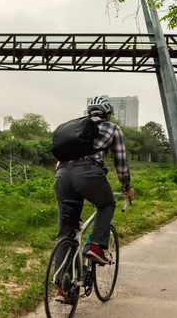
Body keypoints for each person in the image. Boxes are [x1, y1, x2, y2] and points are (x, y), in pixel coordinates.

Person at [52, 96, 134, 303]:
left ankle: (62, 286)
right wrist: (126, 188)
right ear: (108, 114)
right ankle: (96, 246)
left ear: (90, 112)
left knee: (66, 230)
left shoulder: (74, 128)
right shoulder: (112, 128)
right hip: (89, 174)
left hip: (61, 176)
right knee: (106, 204)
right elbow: (121, 162)